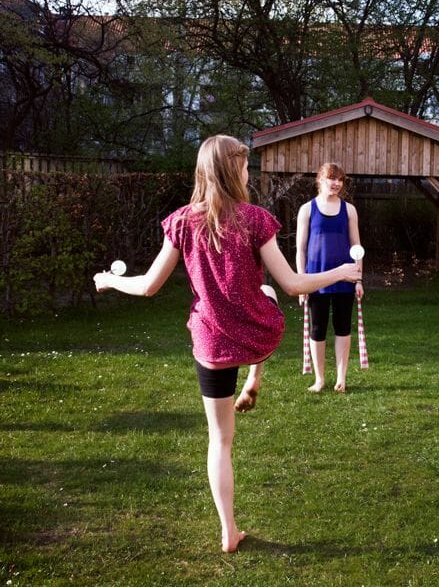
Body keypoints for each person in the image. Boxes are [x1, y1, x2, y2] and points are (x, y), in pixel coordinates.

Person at [93, 136, 361, 552]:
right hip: (257, 333)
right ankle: (255, 375)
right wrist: (341, 271)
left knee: (220, 440)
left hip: (212, 341)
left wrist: (109, 281)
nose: (248, 173)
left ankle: (227, 531)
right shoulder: (255, 219)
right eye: (244, 167)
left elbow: (147, 287)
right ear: (231, 171)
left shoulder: (182, 221)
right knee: (270, 295)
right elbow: (291, 284)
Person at [295, 162, 364, 394]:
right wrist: (302, 281)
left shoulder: (349, 210)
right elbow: (301, 250)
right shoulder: (307, 209)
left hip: (345, 280)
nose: (336, 183)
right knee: (318, 329)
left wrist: (359, 279)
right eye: (331, 178)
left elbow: (356, 247)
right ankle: (320, 379)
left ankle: (341, 379)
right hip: (316, 279)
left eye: (340, 179)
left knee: (343, 327)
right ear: (320, 180)